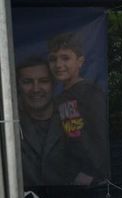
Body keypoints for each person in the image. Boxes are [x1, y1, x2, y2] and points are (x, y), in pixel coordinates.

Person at [48, 31, 109, 186]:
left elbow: (101, 136)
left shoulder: (90, 93)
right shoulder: (60, 98)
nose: (58, 65)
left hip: (89, 181)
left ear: (80, 61)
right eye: (53, 59)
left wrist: (92, 174)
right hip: (65, 179)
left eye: (65, 58)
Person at [16, 57, 67, 186]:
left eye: (43, 81)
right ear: (17, 86)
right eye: (27, 82)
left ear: (53, 84)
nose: (36, 89)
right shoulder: (9, 122)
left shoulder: (73, 117)